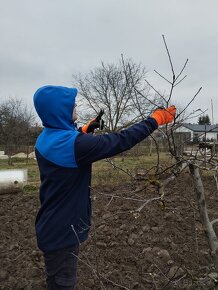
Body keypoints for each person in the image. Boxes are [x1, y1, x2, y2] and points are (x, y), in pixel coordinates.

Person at [33, 85, 176, 290]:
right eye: (70, 104)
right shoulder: (76, 146)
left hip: (52, 224)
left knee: (55, 279)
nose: (75, 105)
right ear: (59, 110)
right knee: (63, 284)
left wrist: (84, 130)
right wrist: (156, 120)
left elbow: (67, 140)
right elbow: (121, 141)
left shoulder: (44, 138)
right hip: (63, 232)